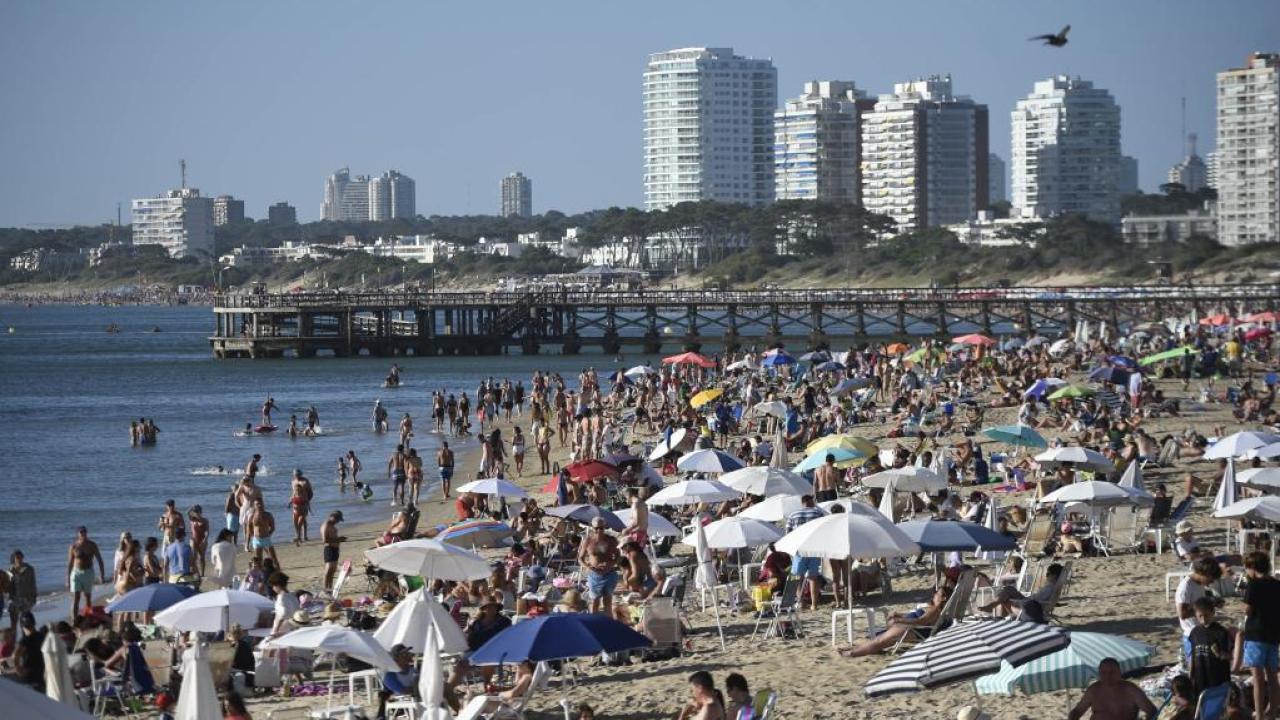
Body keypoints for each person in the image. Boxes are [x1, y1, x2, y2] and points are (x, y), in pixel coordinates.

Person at [839, 587, 950, 658]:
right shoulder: (935, 609)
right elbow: (920, 619)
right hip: (912, 628)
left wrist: (899, 620)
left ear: (944, 598)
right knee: (880, 642)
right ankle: (855, 649)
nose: (934, 594)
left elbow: (920, 621)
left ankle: (852, 653)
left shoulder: (935, 609)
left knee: (880, 640)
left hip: (913, 630)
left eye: (937, 593)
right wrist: (900, 615)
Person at [1238, 551, 1280, 720]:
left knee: (1257, 678)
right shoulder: (1277, 584)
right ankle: (1273, 711)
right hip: (1273, 634)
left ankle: (1260, 715)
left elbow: (1247, 609)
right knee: (1272, 677)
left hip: (1256, 634)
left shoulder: (1254, 585)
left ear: (1252, 568)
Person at [1067, 657, 1158, 720]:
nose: (1108, 676)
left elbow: (1152, 711)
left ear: (1119, 673)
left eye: (1112, 672)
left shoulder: (1131, 690)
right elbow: (1077, 711)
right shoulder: (1093, 690)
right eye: (1103, 673)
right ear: (1099, 674)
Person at [1176, 557, 1223, 661]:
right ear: (1204, 573)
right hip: (1192, 633)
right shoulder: (1186, 587)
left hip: (1202, 630)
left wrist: (1213, 603)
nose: (1211, 582)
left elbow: (1199, 604)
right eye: (1211, 579)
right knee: (1195, 666)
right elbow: (1182, 614)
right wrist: (1203, 609)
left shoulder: (1199, 584)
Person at [785, 495, 826, 610]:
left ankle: (801, 602)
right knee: (813, 577)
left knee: (799, 577)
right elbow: (824, 530)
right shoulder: (818, 514)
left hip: (799, 549)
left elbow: (788, 534)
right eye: (813, 500)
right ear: (808, 501)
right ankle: (814, 605)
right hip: (814, 548)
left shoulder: (793, 515)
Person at [579, 517, 621, 616]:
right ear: (592, 528)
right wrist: (588, 567)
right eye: (596, 528)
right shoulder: (588, 541)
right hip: (594, 574)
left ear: (605, 527)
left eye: (601, 528)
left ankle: (609, 626)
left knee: (608, 603)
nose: (599, 530)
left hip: (609, 573)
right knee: (594, 603)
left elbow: (618, 556)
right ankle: (594, 626)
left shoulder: (611, 540)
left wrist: (611, 563)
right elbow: (580, 558)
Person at [67, 526, 105, 617]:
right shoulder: (74, 546)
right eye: (81, 532)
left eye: (84, 531)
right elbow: (70, 563)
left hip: (88, 572)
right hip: (76, 573)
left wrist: (102, 575)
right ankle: (74, 620)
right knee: (76, 598)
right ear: (77, 534)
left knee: (87, 597)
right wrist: (67, 578)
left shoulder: (92, 545)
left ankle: (88, 618)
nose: (83, 533)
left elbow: (99, 560)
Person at [378, 643, 419, 720]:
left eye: (407, 653)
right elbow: (403, 691)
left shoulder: (414, 670)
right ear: (395, 658)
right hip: (401, 707)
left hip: (416, 702)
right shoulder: (390, 675)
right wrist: (415, 688)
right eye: (404, 654)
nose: (407, 656)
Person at [13, 612, 45, 690]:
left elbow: (15, 656)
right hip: (42, 672)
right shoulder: (42, 636)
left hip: (29, 675)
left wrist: (18, 668)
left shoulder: (24, 641)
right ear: (34, 623)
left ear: (22, 626)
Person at [7, 551, 35, 634]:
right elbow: (7, 587)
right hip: (13, 599)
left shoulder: (29, 569)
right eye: (17, 558)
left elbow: (33, 584)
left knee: (25, 622)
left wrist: (34, 597)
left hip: (26, 599)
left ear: (23, 557)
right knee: (13, 623)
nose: (19, 559)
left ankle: (26, 641)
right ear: (14, 559)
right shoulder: (10, 570)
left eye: (20, 557)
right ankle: (12, 643)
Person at [247, 498, 279, 566]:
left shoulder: (268, 515)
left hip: (266, 539)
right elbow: (249, 528)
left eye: (261, 503)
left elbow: (273, 527)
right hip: (256, 540)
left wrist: (268, 535)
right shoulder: (252, 516)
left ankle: (279, 574)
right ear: (254, 506)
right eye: (257, 504)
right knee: (259, 560)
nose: (259, 505)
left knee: (273, 558)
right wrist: (252, 538)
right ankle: (261, 576)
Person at [320, 511, 346, 594]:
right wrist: (339, 539)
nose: (338, 522)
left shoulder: (332, 525)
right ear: (333, 517)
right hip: (329, 548)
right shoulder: (326, 525)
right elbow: (325, 540)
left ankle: (330, 589)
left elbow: (332, 537)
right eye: (337, 520)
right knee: (328, 570)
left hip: (335, 549)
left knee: (333, 571)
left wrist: (339, 539)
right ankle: (325, 589)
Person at [269, 573, 298, 638]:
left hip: (283, 629)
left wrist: (274, 632)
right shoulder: (292, 595)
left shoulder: (281, 598)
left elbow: (281, 616)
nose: (273, 589)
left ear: (278, 585)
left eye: (273, 586)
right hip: (294, 626)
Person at [289, 469, 314, 544]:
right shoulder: (293, 482)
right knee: (295, 521)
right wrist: (290, 501)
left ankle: (302, 536)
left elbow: (310, 492)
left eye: (298, 474)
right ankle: (299, 536)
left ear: (301, 474)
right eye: (296, 474)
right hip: (295, 504)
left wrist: (307, 501)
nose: (297, 476)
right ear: (294, 474)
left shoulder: (305, 481)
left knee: (301, 520)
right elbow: (293, 492)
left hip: (303, 503)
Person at [188, 506, 210, 577]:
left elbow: (207, 531)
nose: (196, 513)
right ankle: (194, 572)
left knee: (202, 557)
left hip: (202, 540)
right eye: (195, 512)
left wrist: (205, 539)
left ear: (200, 512)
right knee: (193, 557)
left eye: (197, 512)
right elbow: (187, 513)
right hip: (193, 540)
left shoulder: (205, 520)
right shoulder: (192, 519)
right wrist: (191, 508)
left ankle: (202, 574)